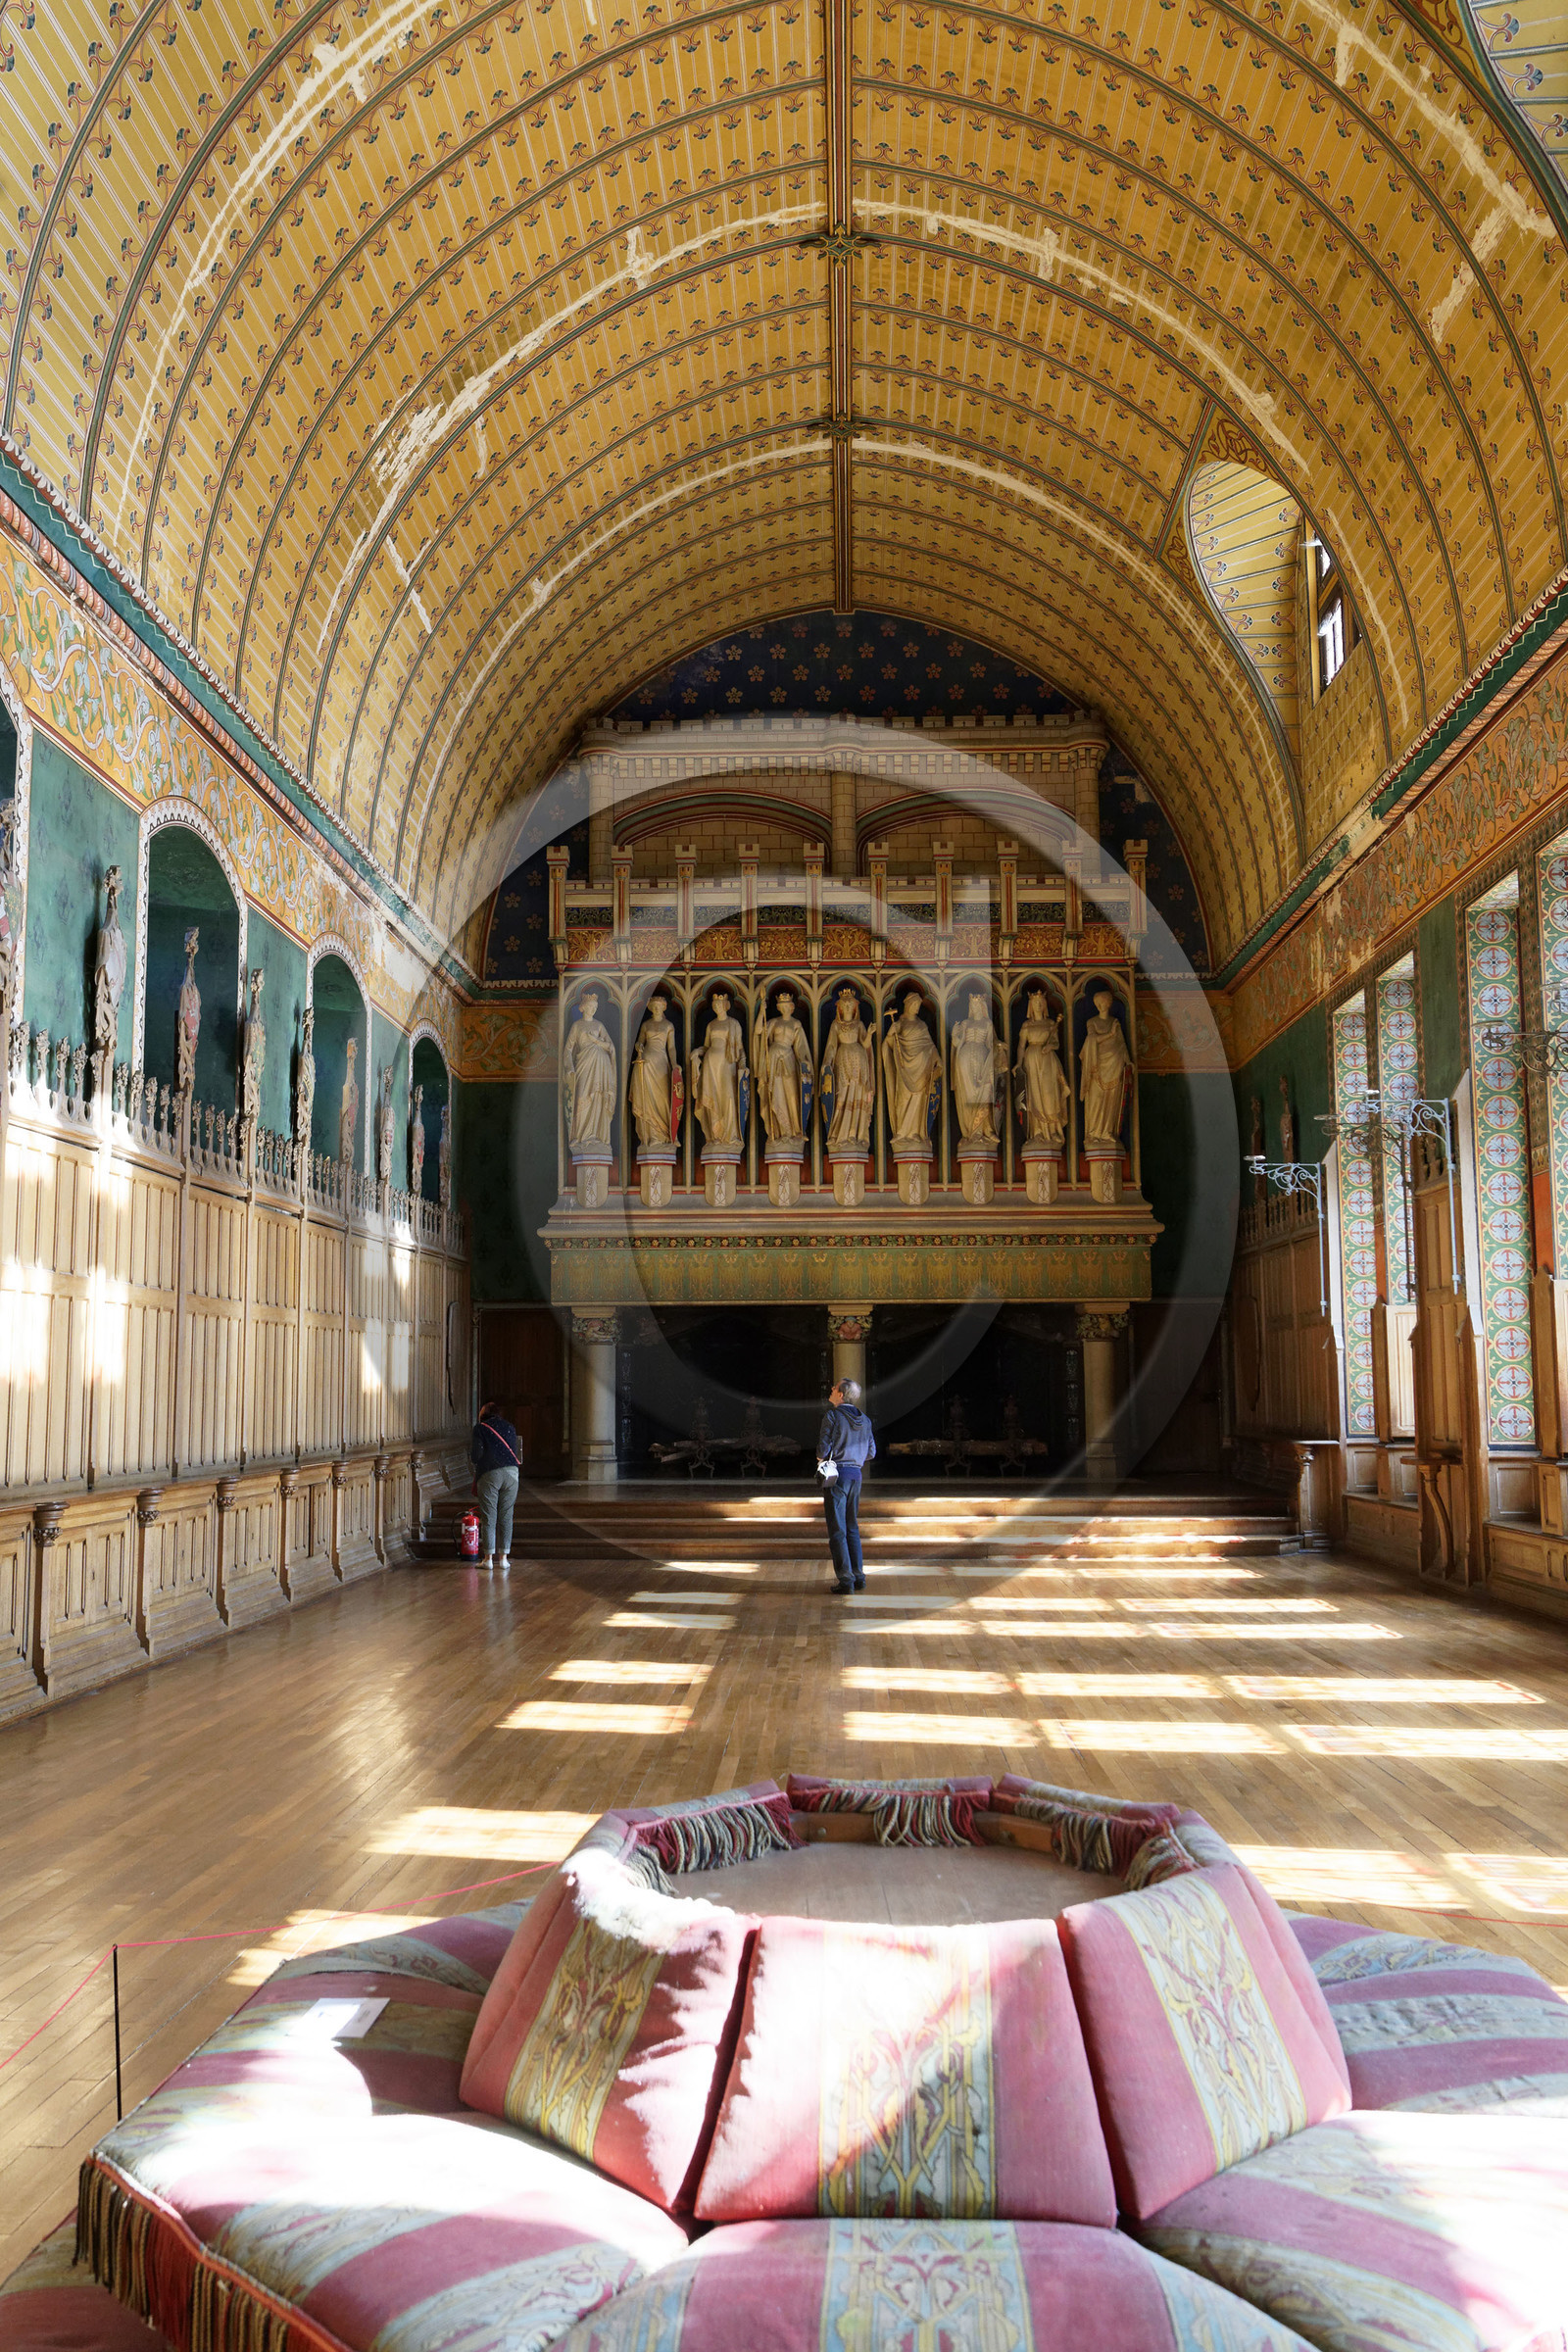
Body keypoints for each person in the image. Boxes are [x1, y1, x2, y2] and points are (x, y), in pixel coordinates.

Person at [817, 1377, 876, 1593]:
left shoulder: (832, 1416)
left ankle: (845, 1580)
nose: (831, 1389)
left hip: (836, 1477)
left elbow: (822, 1451)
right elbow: (871, 1453)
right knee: (852, 1527)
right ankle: (859, 1576)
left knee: (837, 1530)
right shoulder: (866, 1420)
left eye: (834, 1387)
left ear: (840, 1395)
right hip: (856, 1477)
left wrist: (824, 1456)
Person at [470, 1399, 521, 1569]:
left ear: (483, 1414)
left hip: (490, 1474)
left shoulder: (480, 1428)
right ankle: (504, 1558)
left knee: (489, 1517)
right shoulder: (510, 1427)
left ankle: (488, 1559)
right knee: (506, 1516)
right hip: (512, 1474)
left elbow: (476, 1456)